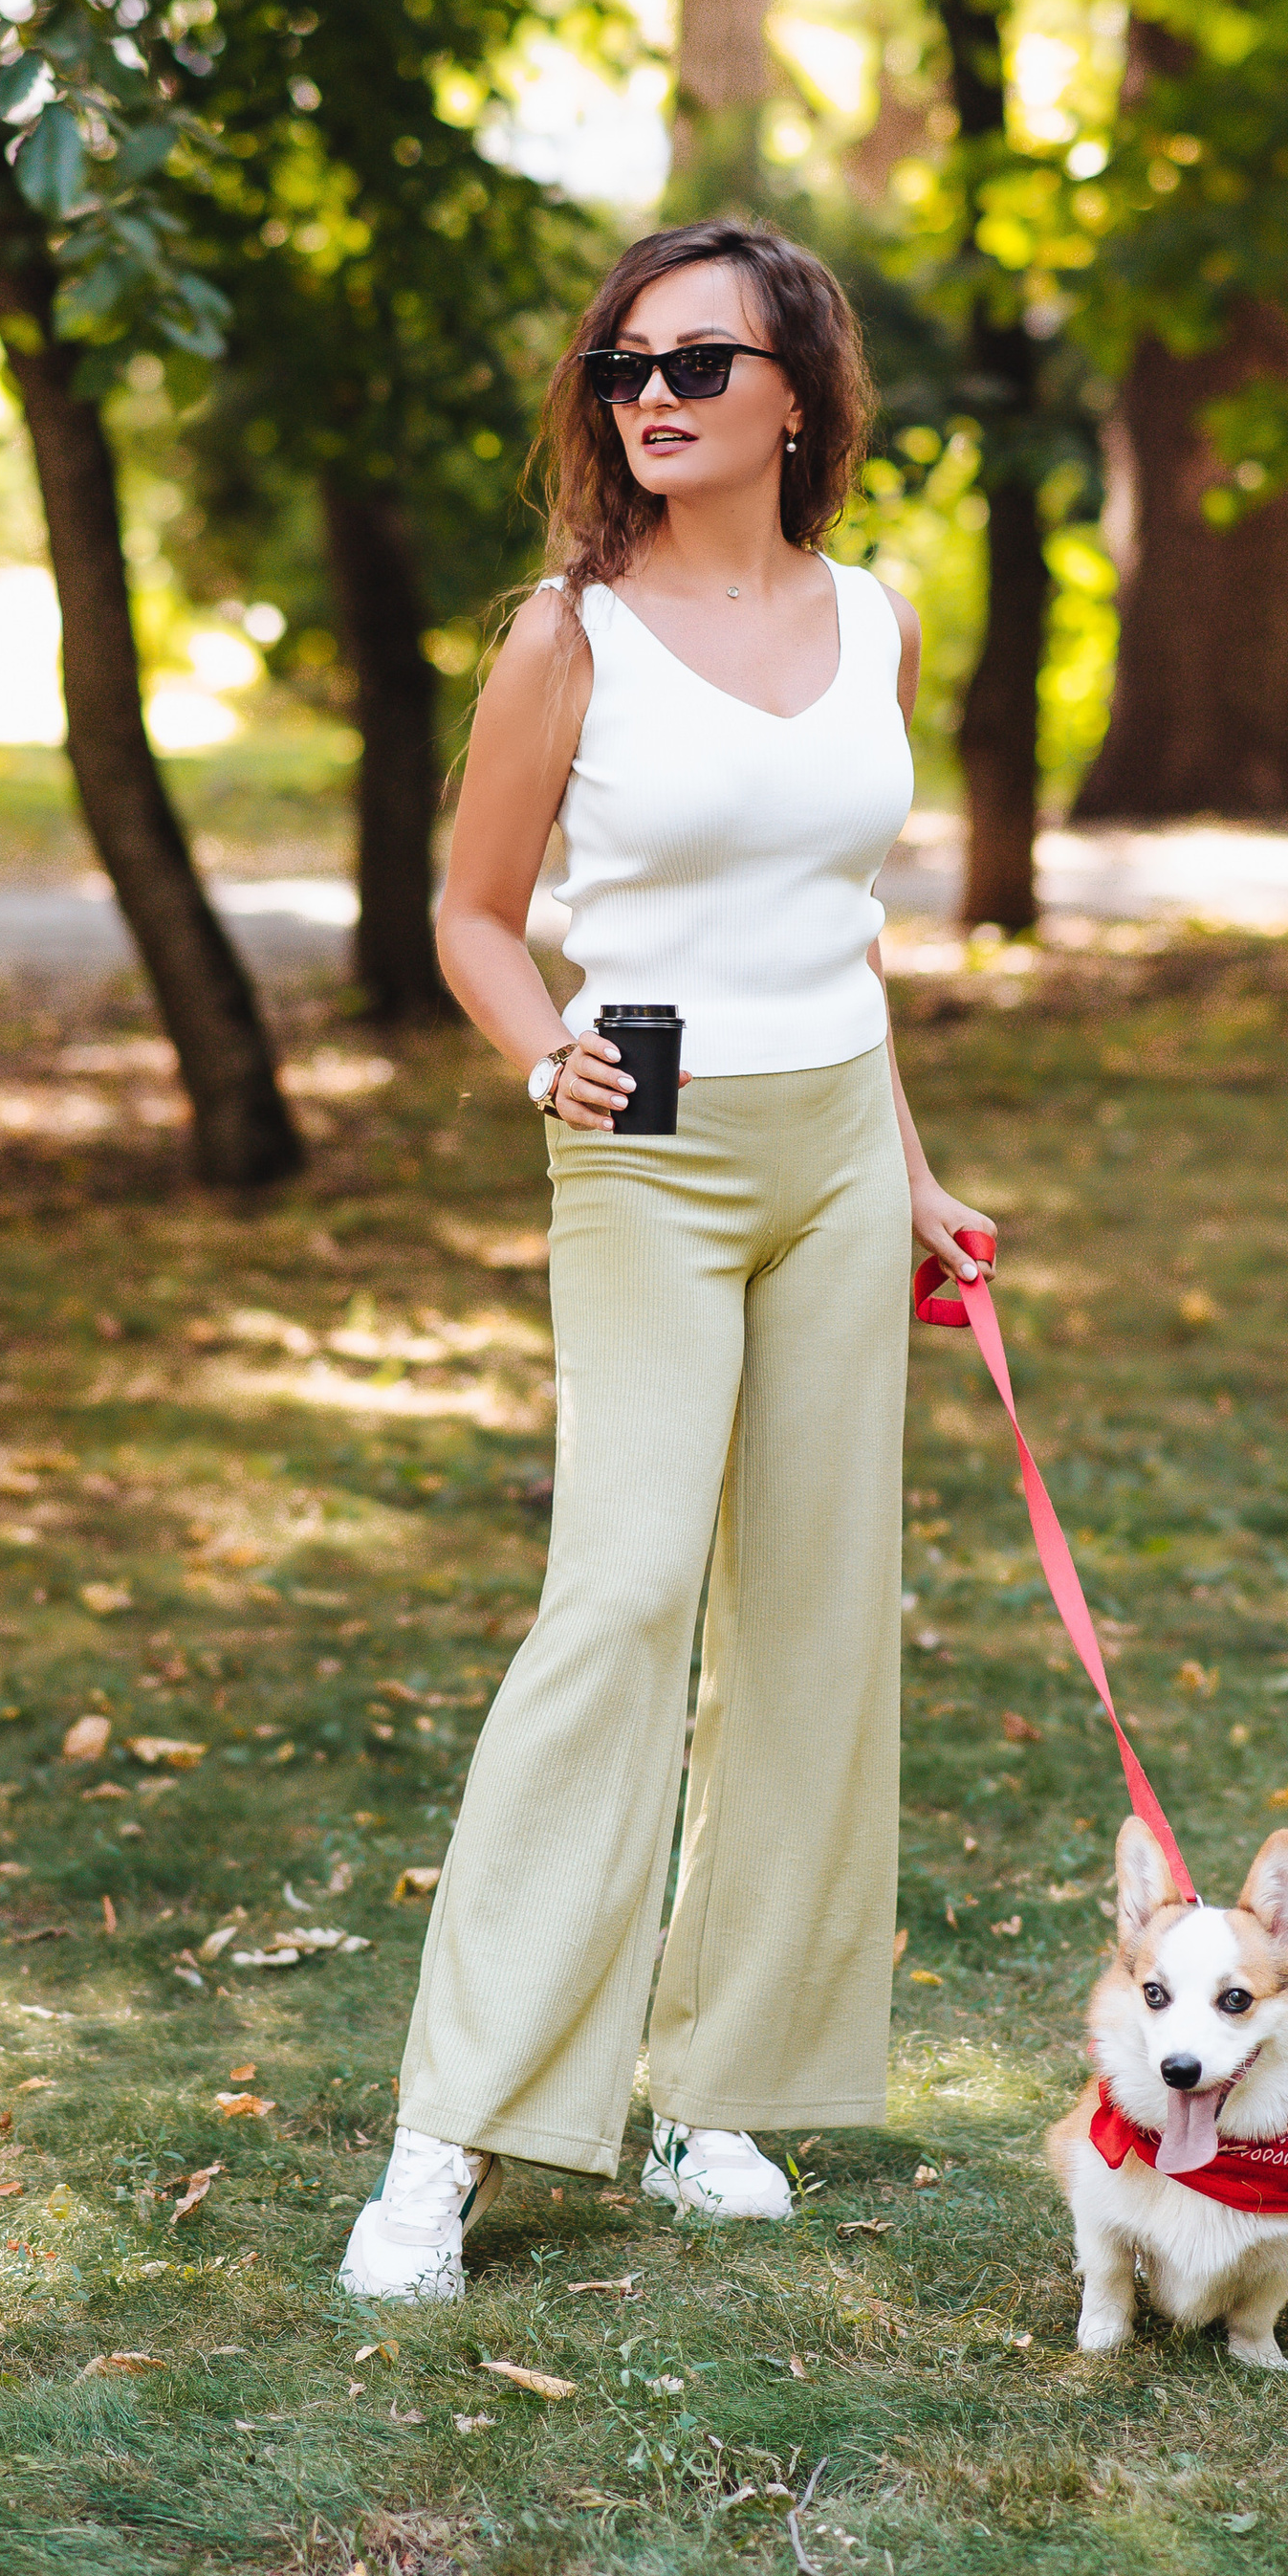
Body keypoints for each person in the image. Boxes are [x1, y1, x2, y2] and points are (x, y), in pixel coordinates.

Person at [339, 218, 997, 2301]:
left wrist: (904, 1173)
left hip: (827, 1137)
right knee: (617, 1599)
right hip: (649, 1147)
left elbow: (843, 928)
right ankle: (446, 2135)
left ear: (795, 393)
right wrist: (547, 1064)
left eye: (700, 364)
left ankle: (712, 2089)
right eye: (629, 365)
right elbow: (471, 910)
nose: (654, 396)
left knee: (810, 1620)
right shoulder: (568, 632)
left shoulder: (872, 617)